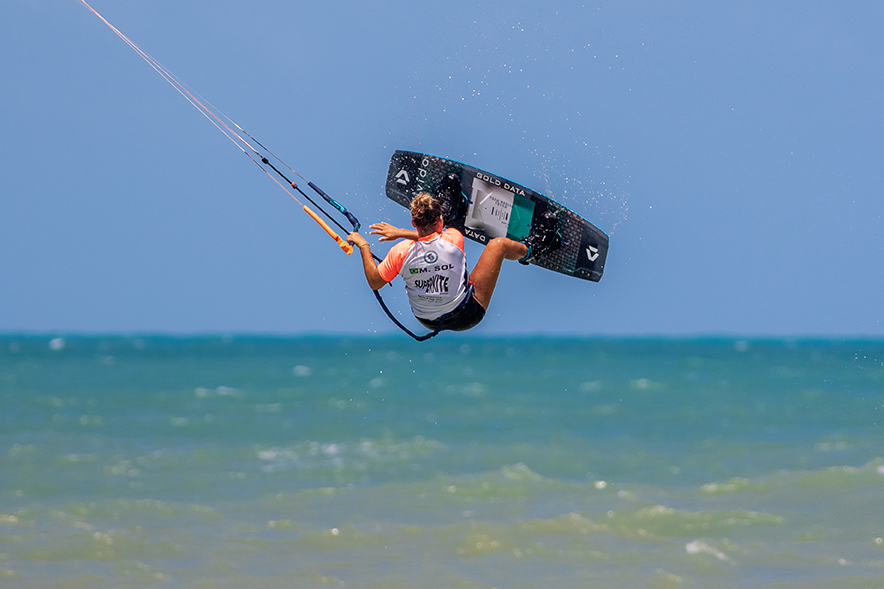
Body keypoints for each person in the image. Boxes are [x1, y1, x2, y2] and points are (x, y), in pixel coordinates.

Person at [347, 189, 559, 334]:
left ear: (414, 222)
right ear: (440, 220)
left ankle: (450, 203)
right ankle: (533, 249)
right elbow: (433, 238)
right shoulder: (453, 238)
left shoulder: (399, 253)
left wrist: (364, 246)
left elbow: (375, 282)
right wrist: (400, 232)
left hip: (428, 322)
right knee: (498, 246)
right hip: (467, 314)